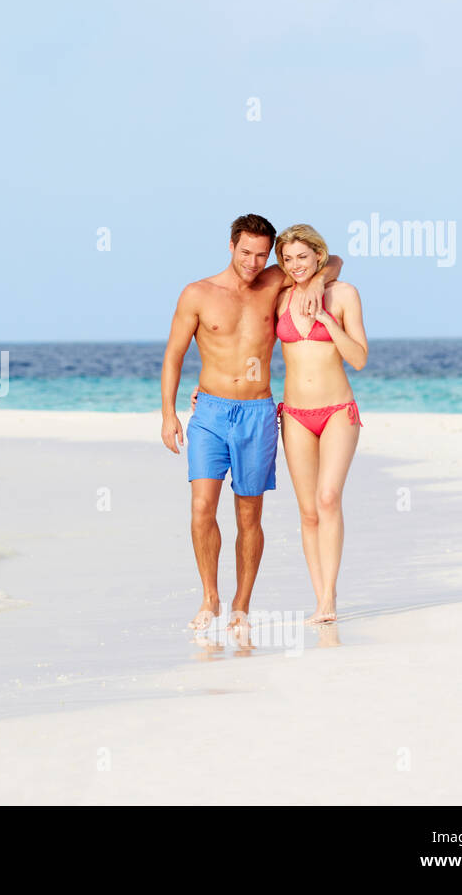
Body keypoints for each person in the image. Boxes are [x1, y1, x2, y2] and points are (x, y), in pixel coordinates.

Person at [161, 215, 342, 633]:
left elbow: (332, 260)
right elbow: (173, 355)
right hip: (209, 412)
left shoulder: (275, 281)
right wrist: (169, 413)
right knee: (202, 506)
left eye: (262, 254)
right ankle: (210, 597)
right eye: (246, 252)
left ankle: (241, 604)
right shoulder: (198, 293)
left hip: (258, 413)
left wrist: (315, 282)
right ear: (230, 246)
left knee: (249, 515)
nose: (253, 262)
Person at [273, 224, 368, 623]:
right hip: (294, 414)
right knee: (308, 510)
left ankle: (330, 597)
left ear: (318, 255)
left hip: (336, 412)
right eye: (288, 258)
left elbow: (359, 358)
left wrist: (329, 322)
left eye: (303, 257)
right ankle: (320, 600)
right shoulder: (278, 297)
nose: (296, 265)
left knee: (328, 498)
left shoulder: (344, 294)